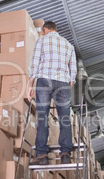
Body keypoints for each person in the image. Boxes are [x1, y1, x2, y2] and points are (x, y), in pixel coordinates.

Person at [27, 21, 77, 165]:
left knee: (42, 116)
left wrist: (29, 85)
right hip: (63, 83)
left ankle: (42, 155)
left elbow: (35, 63)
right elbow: (72, 72)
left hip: (45, 80)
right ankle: (66, 154)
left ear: (45, 29)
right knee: (65, 118)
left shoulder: (42, 40)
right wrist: (68, 89)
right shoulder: (69, 45)